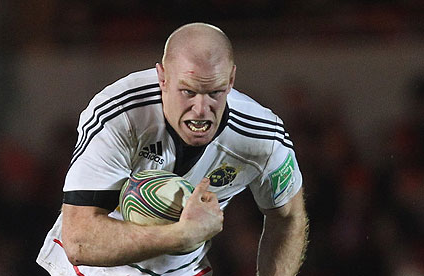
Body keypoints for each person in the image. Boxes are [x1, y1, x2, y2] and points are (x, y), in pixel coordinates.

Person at [37, 22, 309, 276]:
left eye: (214, 92)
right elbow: (80, 240)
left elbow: (288, 218)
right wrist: (182, 235)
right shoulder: (120, 113)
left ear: (231, 80)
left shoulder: (264, 137)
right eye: (188, 92)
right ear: (163, 78)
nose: (202, 110)